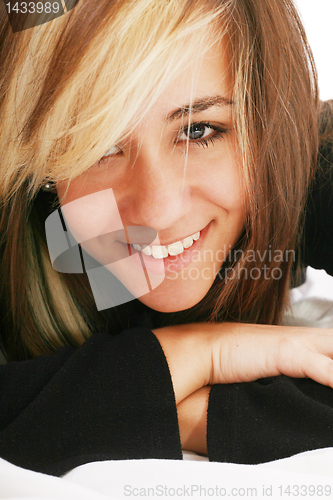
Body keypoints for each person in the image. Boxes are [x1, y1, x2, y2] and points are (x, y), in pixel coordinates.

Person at [0, 0, 333, 476]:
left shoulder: (312, 160)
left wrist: (180, 410)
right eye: (97, 143)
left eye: (199, 131)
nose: (158, 209)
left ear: (268, 124)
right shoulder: (17, 208)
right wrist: (200, 351)